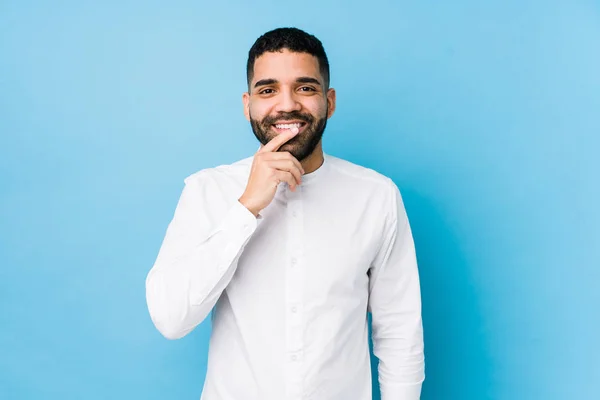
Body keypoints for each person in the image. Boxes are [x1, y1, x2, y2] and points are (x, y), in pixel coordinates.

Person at [145, 27, 425, 400]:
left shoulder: (376, 196)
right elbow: (171, 319)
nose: (287, 105)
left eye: (305, 88)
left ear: (330, 101)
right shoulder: (207, 191)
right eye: (268, 90)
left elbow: (399, 333)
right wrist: (246, 208)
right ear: (248, 104)